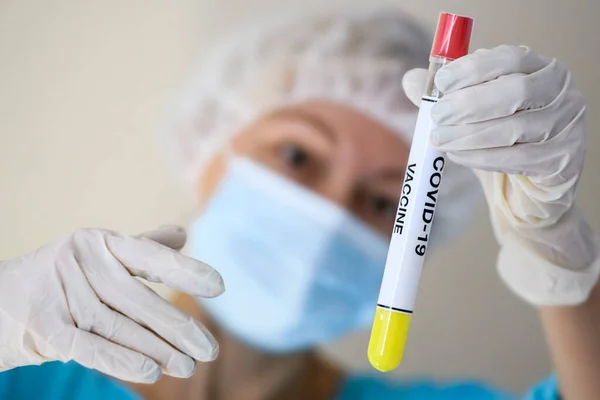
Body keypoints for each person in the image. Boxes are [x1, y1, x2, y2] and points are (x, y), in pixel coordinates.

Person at [1, 8, 599, 400]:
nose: (329, 215)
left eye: (382, 200)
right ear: (208, 151)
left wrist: (556, 250)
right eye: (297, 156)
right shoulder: (29, 372)